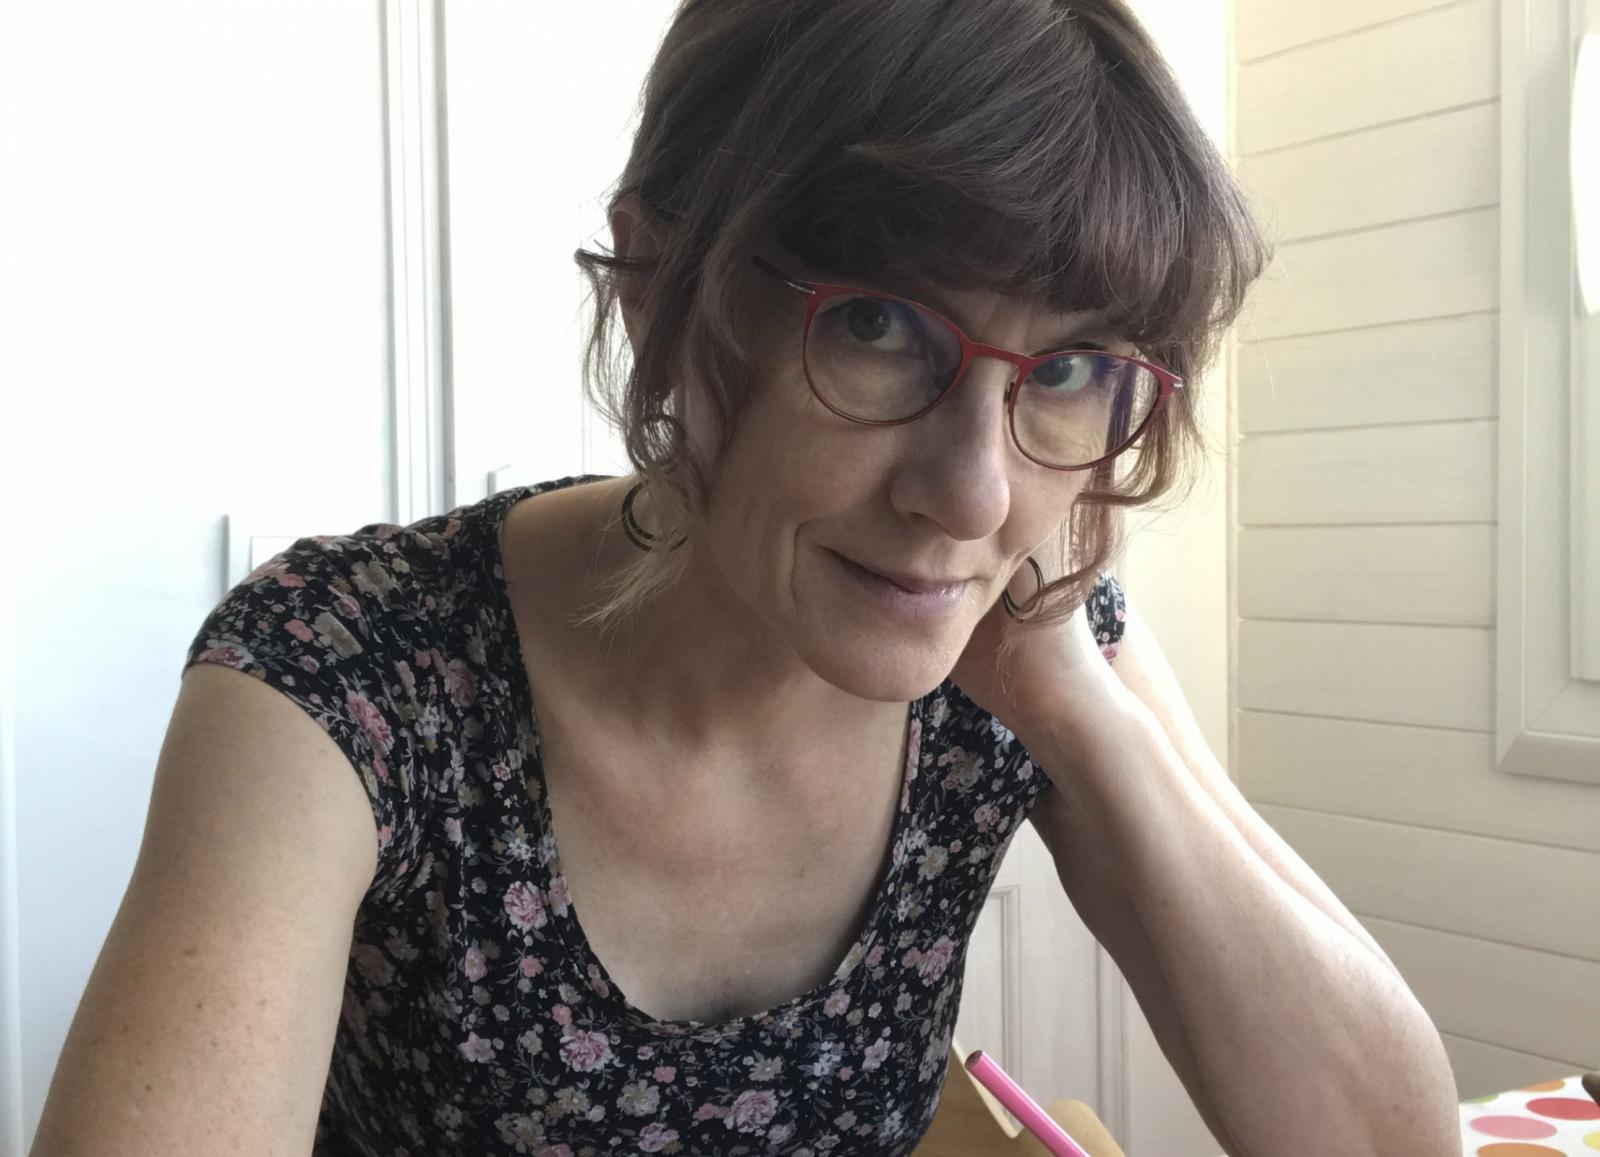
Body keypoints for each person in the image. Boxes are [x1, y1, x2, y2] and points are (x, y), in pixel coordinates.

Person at [31, 1, 1465, 1155]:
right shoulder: (343, 678)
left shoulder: (1034, 641)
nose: (973, 494)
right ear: (656, 283)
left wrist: (1076, 708)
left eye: (1074, 368)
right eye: (881, 329)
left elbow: (1392, 1139)